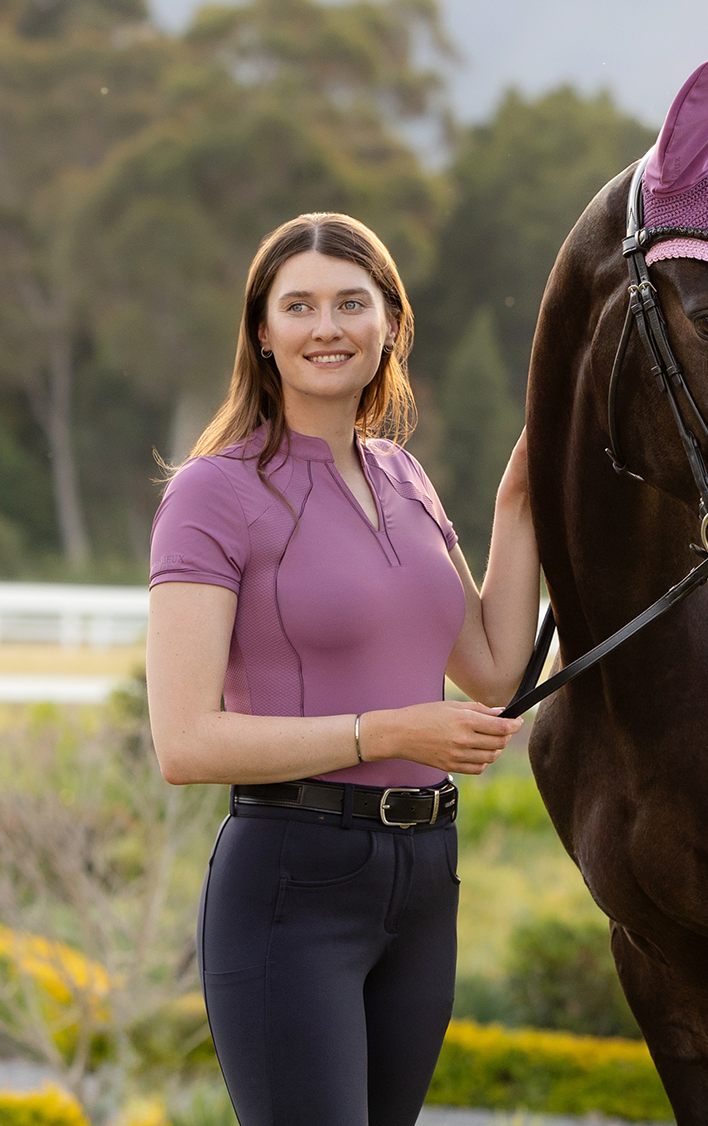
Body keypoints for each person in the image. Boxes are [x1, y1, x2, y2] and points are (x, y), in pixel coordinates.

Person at [144, 212, 540, 1126]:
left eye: (351, 303)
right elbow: (185, 742)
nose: (328, 327)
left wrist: (516, 503)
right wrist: (389, 733)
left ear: (391, 323)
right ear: (263, 333)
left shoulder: (405, 477)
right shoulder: (214, 492)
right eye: (301, 306)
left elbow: (492, 667)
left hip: (424, 879)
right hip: (293, 880)